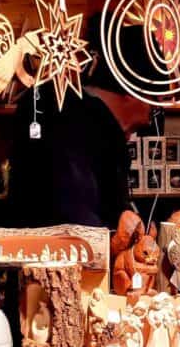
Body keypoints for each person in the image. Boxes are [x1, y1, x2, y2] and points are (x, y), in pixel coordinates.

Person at [8, 21, 153, 228]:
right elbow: (77, 219)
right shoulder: (71, 123)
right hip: (64, 253)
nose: (149, 118)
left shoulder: (46, 103)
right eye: (153, 105)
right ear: (134, 94)